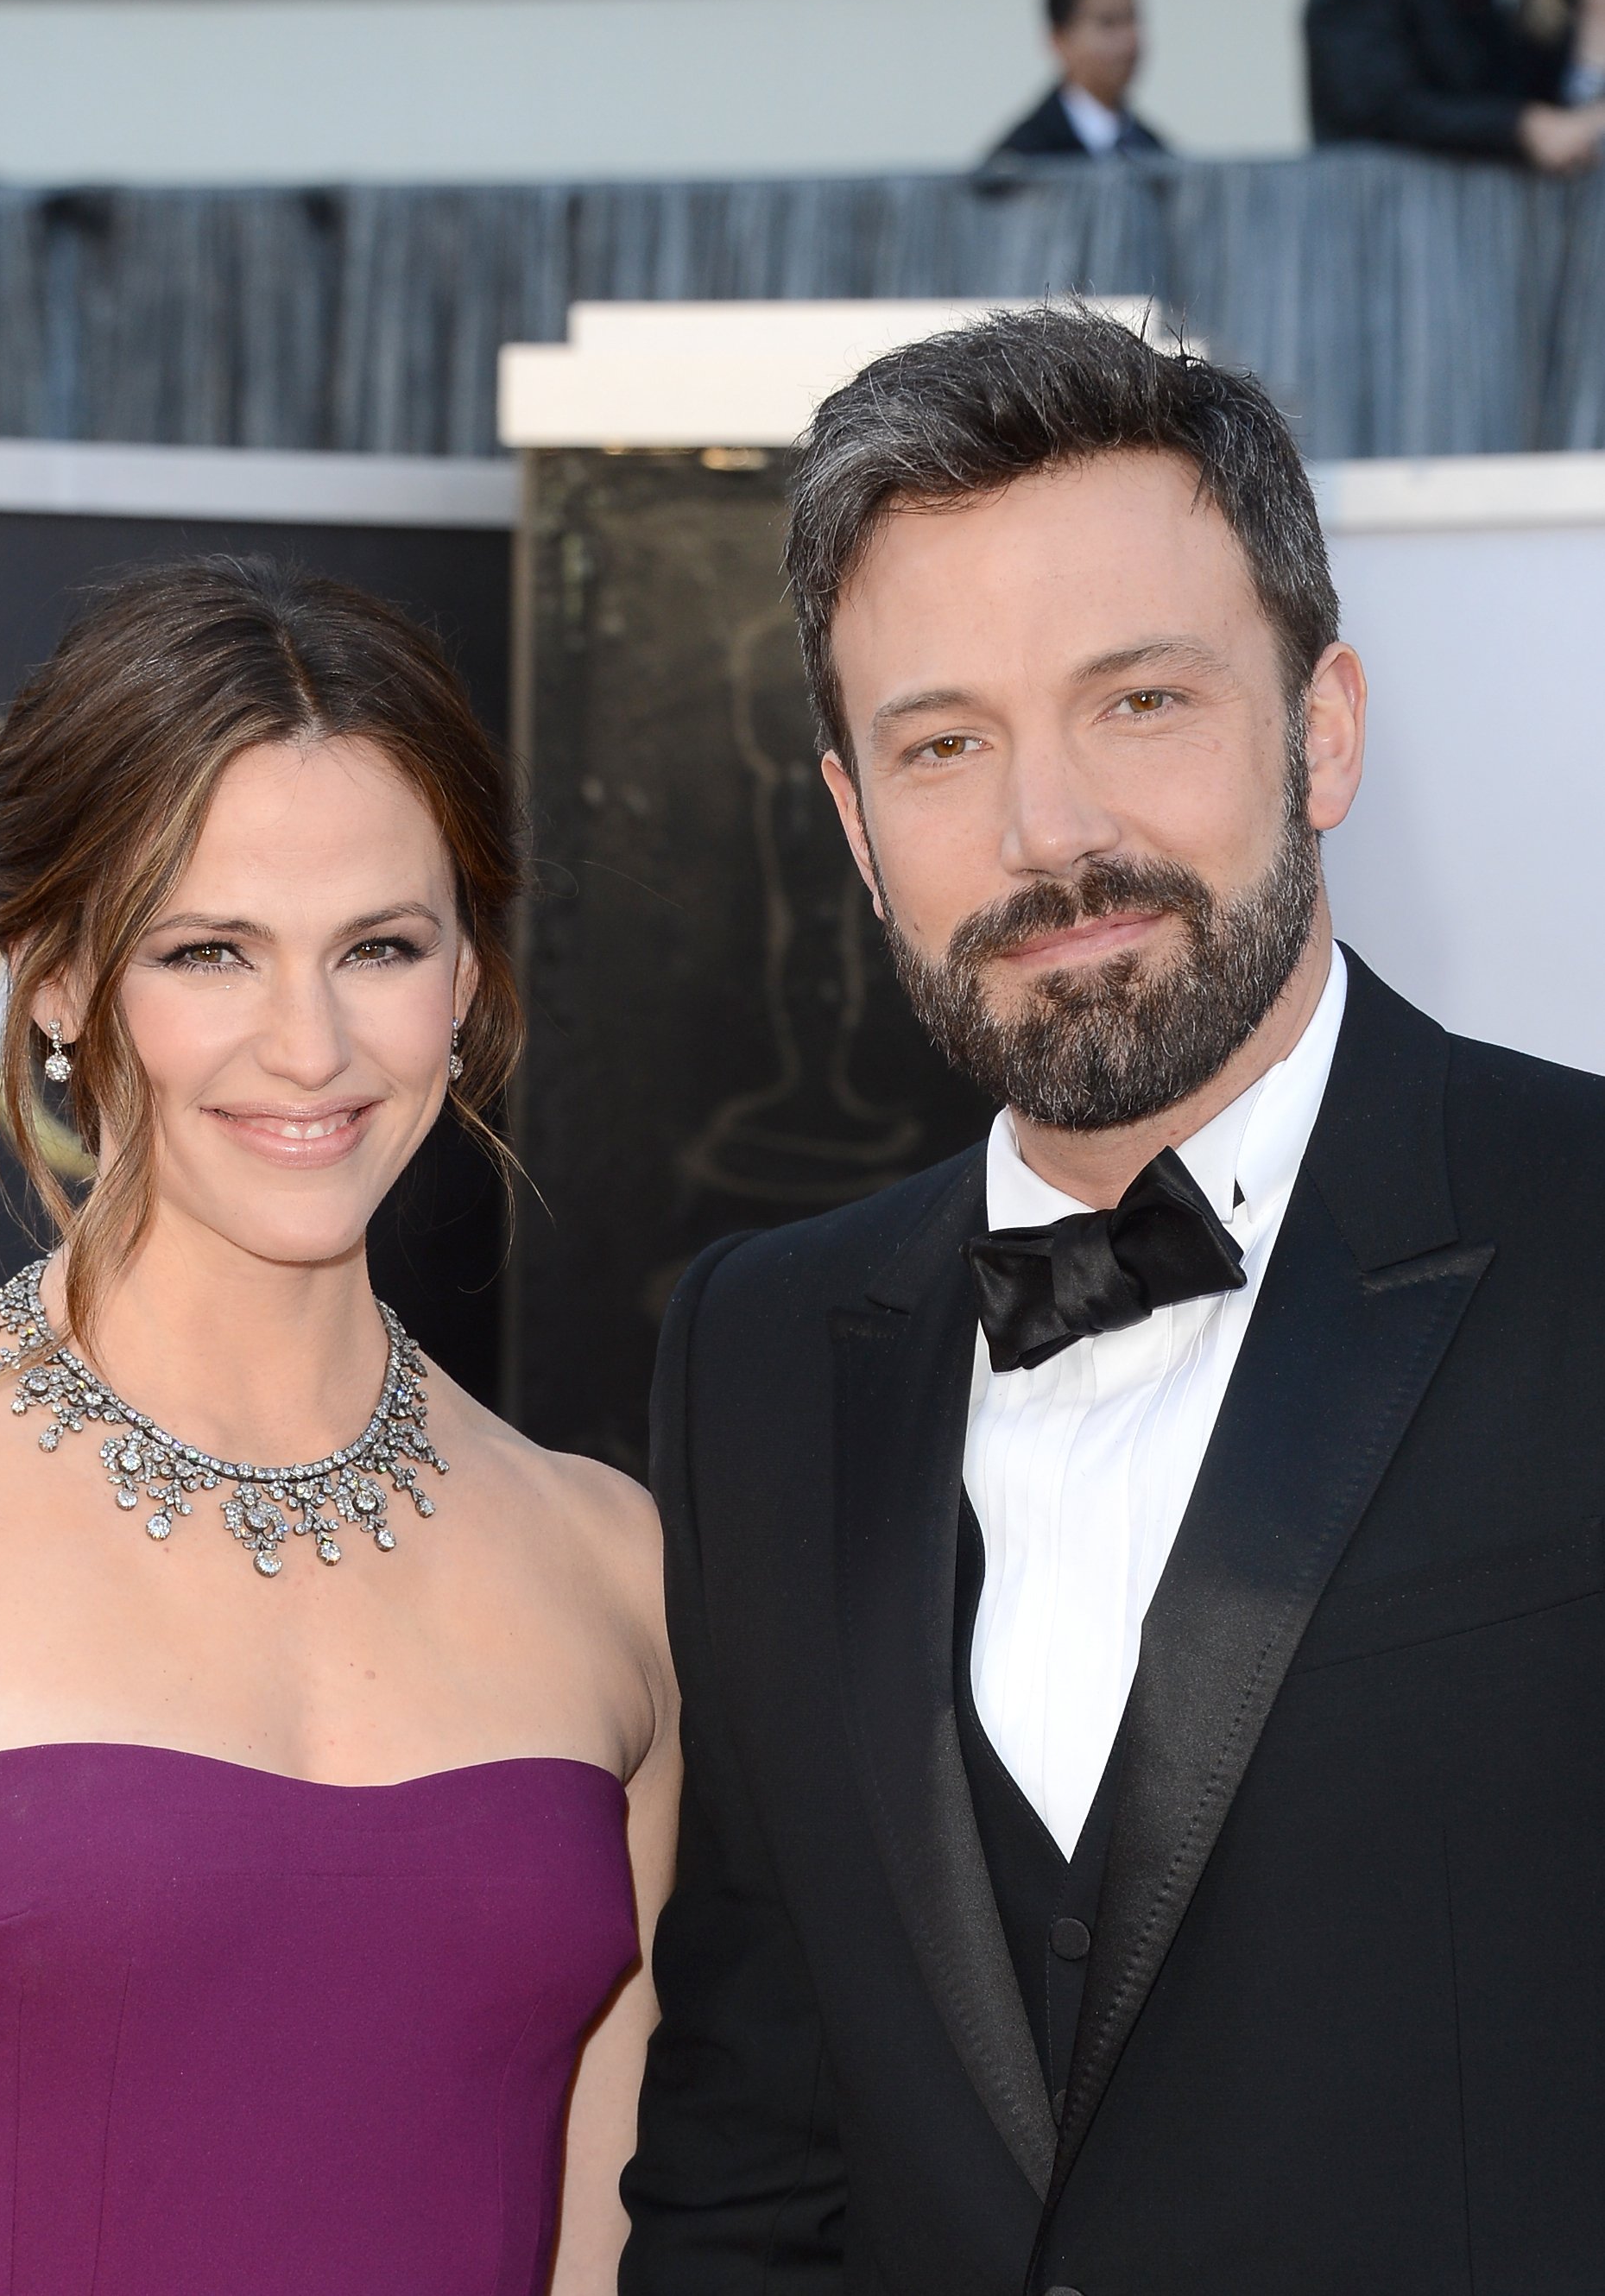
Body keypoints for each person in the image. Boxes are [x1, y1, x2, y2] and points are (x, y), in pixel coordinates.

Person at [619, 305, 1605, 2292]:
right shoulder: (753, 1351)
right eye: (945, 742)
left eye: (1139, 703)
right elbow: (749, 2139)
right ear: (853, 823)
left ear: (1322, 730)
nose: (1046, 829)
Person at [0, 558, 677, 2296]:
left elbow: (610, 2244)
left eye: (378, 948)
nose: (306, 1046)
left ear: (463, 975)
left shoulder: (612, 1568)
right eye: (207, 951)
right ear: (59, 981)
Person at [1308, 0, 1605, 172]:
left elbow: (1530, 96)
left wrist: (1595, 16)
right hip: (1372, 228)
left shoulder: (1473, 1)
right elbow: (1380, 110)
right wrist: (1521, 126)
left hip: (1471, 230)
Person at [989, 0, 1168, 161]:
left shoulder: (1154, 153)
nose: (1129, 40)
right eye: (1108, 23)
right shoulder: (1022, 161)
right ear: (1060, 40)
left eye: (1132, 19)